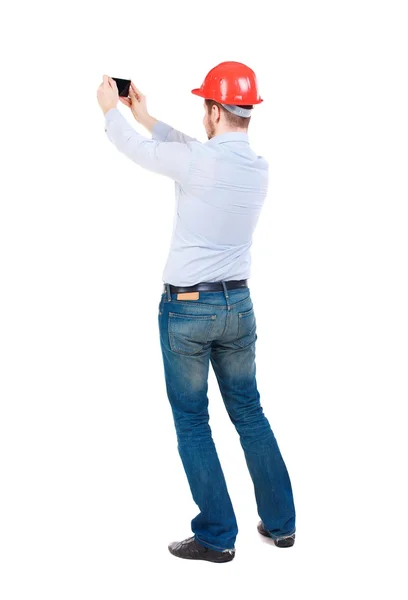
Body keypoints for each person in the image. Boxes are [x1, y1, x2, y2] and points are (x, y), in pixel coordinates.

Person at [97, 61, 296, 563]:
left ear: (212, 109)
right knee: (250, 413)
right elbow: (190, 151)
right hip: (239, 306)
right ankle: (281, 524)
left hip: (187, 311)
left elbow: (146, 153)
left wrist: (112, 114)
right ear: (247, 111)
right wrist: (148, 115)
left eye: (203, 106)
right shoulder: (256, 167)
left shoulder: (199, 162)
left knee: (192, 421)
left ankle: (216, 535)